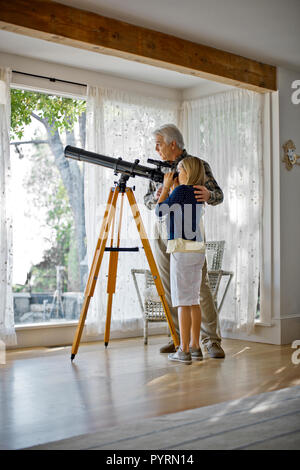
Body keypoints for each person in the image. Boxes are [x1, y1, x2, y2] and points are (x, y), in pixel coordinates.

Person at [144, 124, 225, 358]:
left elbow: (217, 195)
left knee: (200, 287)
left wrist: (208, 195)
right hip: (163, 230)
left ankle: (211, 340)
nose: (156, 149)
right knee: (170, 286)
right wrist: (161, 192)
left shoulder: (196, 165)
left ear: (173, 143)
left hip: (189, 232)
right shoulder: (158, 169)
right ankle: (180, 339)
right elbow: (149, 199)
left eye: (159, 144)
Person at [155, 157, 206, 364]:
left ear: (187, 171)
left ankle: (183, 350)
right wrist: (174, 187)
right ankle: (195, 347)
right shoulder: (197, 191)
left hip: (181, 249)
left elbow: (160, 211)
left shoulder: (179, 191)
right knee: (193, 300)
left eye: (179, 169)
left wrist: (167, 186)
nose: (177, 172)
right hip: (196, 249)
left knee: (183, 302)